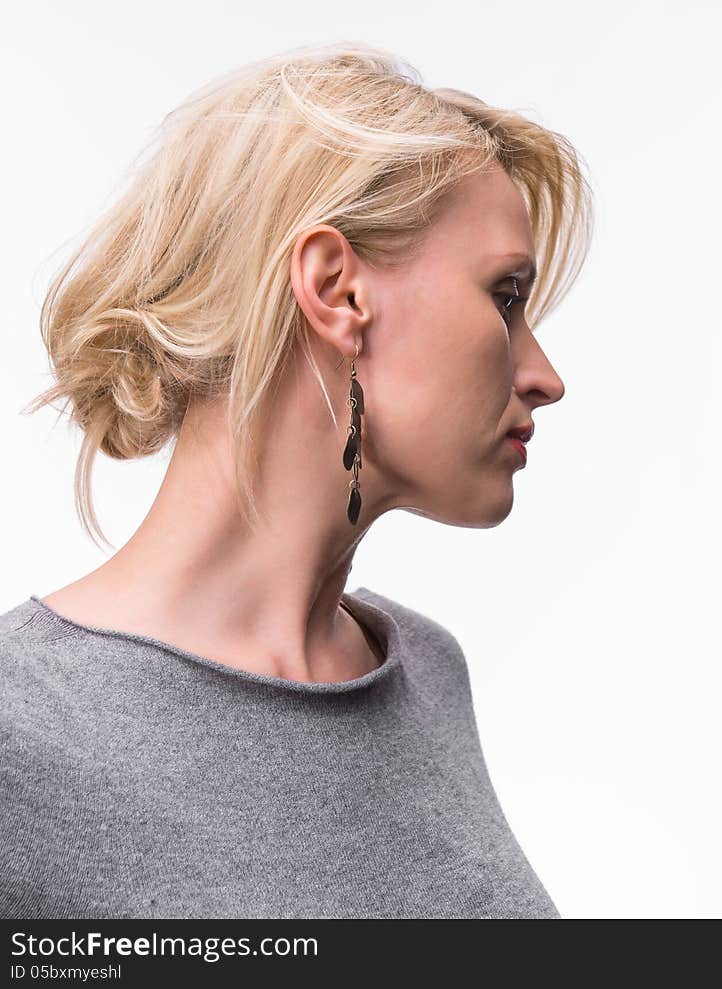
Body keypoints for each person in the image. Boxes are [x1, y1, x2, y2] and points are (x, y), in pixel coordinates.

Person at [0, 40, 593, 919]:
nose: (544, 374)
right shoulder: (22, 736)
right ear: (336, 290)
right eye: (506, 298)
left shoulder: (425, 673)